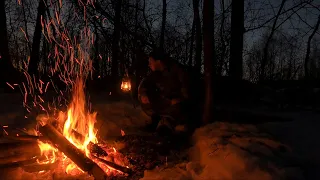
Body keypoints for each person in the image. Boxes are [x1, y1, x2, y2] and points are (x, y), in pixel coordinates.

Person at [138, 49, 193, 136]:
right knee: (149, 96)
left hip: (177, 104)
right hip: (166, 102)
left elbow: (187, 90)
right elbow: (145, 84)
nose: (149, 64)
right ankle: (157, 120)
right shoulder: (155, 74)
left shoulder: (177, 71)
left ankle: (168, 127)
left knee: (175, 111)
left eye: (150, 62)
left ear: (158, 61)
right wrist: (144, 94)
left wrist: (180, 99)